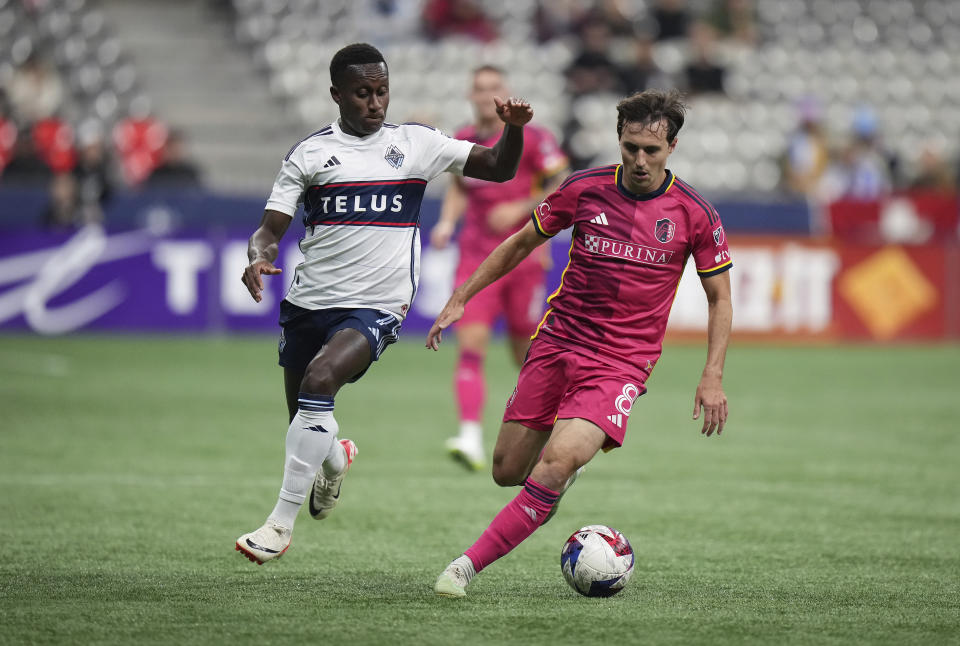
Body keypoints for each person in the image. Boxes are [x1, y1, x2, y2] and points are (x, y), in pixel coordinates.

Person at [425, 89, 733, 597]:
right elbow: (523, 241)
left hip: (621, 362)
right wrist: (463, 295)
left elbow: (719, 298)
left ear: (671, 148)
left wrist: (713, 375)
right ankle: (560, 475)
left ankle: (463, 567)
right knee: (507, 471)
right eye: (631, 147)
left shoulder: (694, 213)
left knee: (555, 462)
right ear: (619, 140)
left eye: (651, 151)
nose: (639, 160)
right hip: (558, 341)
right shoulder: (584, 189)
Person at [235, 43, 533, 565]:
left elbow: (499, 169)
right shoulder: (308, 155)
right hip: (308, 303)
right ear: (337, 95)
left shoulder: (416, 144)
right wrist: (258, 257)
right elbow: (269, 230)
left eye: (381, 91)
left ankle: (279, 526)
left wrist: (513, 130)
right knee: (306, 415)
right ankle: (335, 460)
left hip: (377, 304)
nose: (375, 103)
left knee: (320, 381)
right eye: (362, 93)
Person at [430, 65, 569, 471]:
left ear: (505, 93)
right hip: (475, 259)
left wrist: (520, 206)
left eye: (494, 87)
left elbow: (561, 184)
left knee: (525, 355)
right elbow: (458, 186)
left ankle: (552, 429)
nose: (486, 94)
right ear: (470, 95)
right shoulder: (463, 140)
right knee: (470, 345)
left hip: (522, 260)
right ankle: (470, 437)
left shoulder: (535, 137)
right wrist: (446, 223)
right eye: (479, 88)